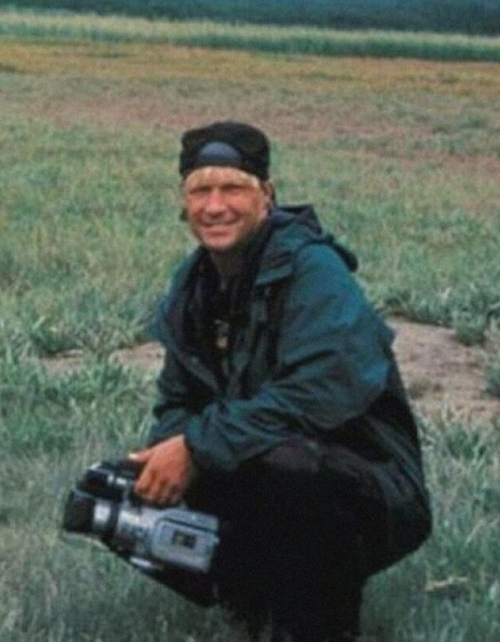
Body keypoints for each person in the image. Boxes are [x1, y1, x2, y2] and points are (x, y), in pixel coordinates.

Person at [129, 121, 432, 642]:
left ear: (265, 196)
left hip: (366, 484)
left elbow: (322, 391)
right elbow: (178, 398)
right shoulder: (194, 283)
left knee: (282, 467)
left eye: (233, 188)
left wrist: (198, 448)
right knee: (113, 496)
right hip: (261, 466)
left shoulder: (314, 271)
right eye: (201, 190)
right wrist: (168, 451)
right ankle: (251, 601)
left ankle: (316, 625)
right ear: (183, 201)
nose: (215, 206)